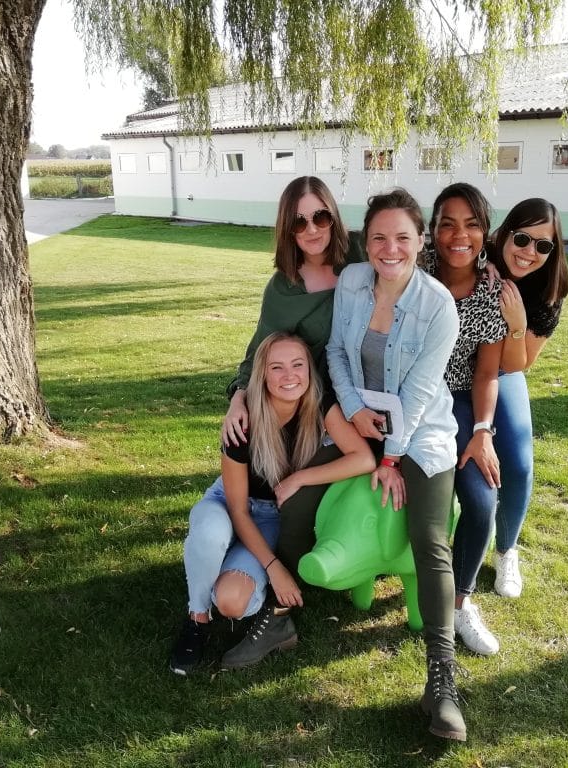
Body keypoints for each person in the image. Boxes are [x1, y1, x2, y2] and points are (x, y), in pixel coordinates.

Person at [327, 188, 466, 742]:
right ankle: (277, 606)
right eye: (379, 238)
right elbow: (336, 352)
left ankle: (442, 680)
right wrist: (354, 410)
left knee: (429, 539)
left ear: (421, 241)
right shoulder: (351, 282)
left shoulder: (438, 306)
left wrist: (391, 455)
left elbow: (421, 390)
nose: (390, 249)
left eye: (403, 238)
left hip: (421, 432)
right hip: (360, 418)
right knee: (304, 492)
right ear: (366, 241)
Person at [170, 332, 375, 675]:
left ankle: (218, 570)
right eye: (276, 367)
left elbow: (363, 459)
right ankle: (197, 617)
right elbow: (237, 509)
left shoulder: (320, 405)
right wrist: (274, 567)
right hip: (230, 503)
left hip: (269, 517)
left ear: (309, 370)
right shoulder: (244, 418)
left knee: (232, 602)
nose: (289, 375)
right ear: (262, 375)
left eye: (297, 365)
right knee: (210, 535)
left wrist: (300, 478)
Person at [220, 176, 365, 579]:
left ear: (334, 216)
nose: (312, 229)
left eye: (321, 216)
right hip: (323, 405)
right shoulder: (283, 288)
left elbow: (408, 248)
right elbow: (259, 353)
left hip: (374, 390)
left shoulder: (361, 254)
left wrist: (485, 263)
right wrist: (238, 397)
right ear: (288, 228)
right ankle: (281, 570)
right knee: (299, 502)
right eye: (300, 222)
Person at [419, 183, 510, 657]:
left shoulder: (491, 292)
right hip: (408, 400)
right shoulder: (412, 272)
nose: (460, 235)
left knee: (481, 499)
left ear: (485, 232)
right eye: (448, 224)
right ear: (432, 230)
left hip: (458, 403)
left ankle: (460, 602)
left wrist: (482, 432)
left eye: (472, 225)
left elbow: (487, 373)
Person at [482, 197, 568, 600]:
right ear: (505, 234)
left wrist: (517, 324)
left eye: (543, 245)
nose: (529, 252)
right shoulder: (480, 254)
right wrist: (478, 265)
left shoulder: (551, 288)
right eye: (522, 239)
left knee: (518, 464)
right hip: (452, 368)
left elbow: (519, 364)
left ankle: (506, 551)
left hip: (504, 369)